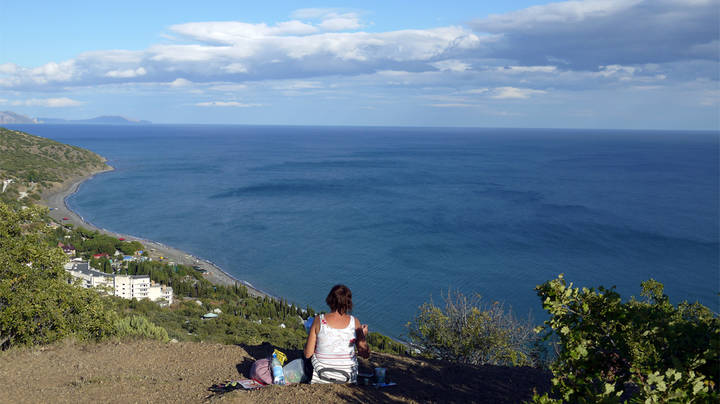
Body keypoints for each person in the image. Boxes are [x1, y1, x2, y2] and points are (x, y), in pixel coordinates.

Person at [304, 284, 369, 384]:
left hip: (320, 375)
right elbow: (365, 354)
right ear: (348, 303)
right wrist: (362, 336)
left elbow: (308, 354)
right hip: (348, 377)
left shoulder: (319, 320)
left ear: (330, 300)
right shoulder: (355, 322)